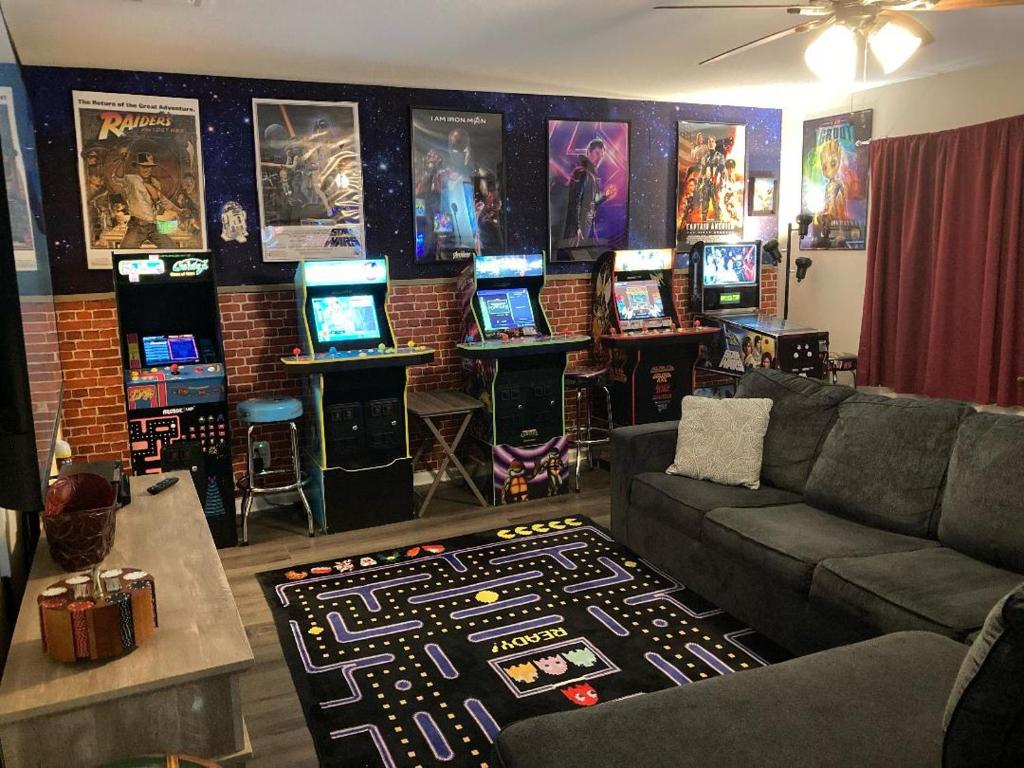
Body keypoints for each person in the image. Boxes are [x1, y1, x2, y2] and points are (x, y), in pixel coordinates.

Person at [106, 151, 179, 249]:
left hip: (153, 226)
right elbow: (117, 177)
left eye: (149, 167)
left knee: (172, 248)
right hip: (137, 227)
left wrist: (179, 211)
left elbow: (163, 200)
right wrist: (122, 161)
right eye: (144, 167)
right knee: (125, 252)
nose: (147, 170)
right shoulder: (131, 180)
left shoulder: (155, 183)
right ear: (137, 167)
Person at [563, 138, 613, 247]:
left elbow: (590, 203)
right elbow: (575, 201)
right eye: (597, 153)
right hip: (578, 229)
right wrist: (576, 227)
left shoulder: (590, 175)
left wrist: (605, 196)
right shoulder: (582, 173)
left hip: (585, 227)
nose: (599, 158)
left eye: (601, 156)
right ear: (588, 152)